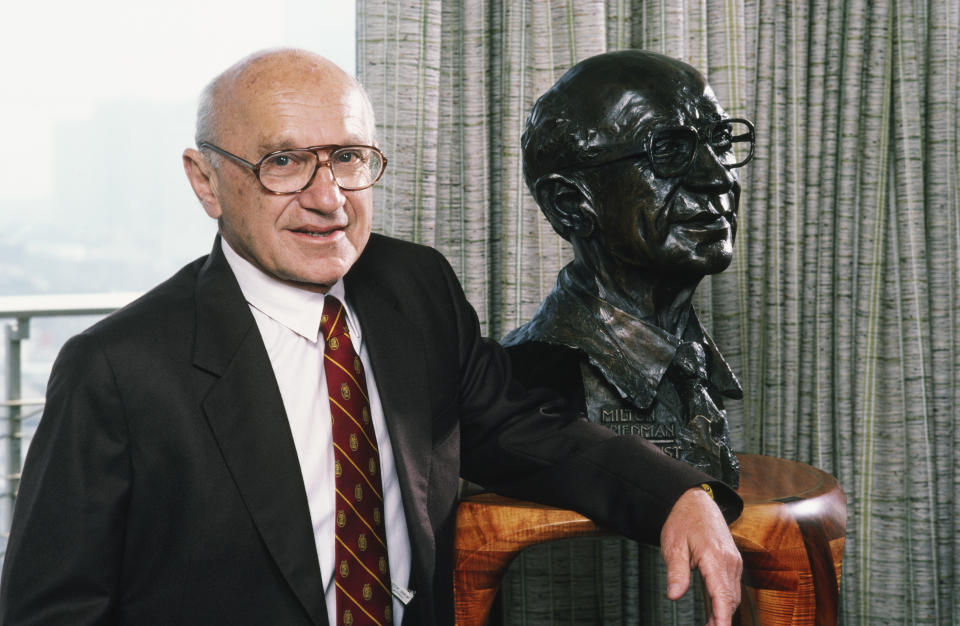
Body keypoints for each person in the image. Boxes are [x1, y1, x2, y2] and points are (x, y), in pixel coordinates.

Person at [0, 49, 742, 626]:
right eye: (283, 162)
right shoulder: (117, 369)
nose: (328, 200)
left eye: (349, 158)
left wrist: (676, 496)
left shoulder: (413, 287)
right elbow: (54, 610)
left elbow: (523, 429)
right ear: (206, 182)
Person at [503, 50, 754, 488]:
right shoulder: (524, 383)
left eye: (719, 141)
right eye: (670, 151)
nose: (720, 178)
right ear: (571, 204)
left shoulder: (693, 363)